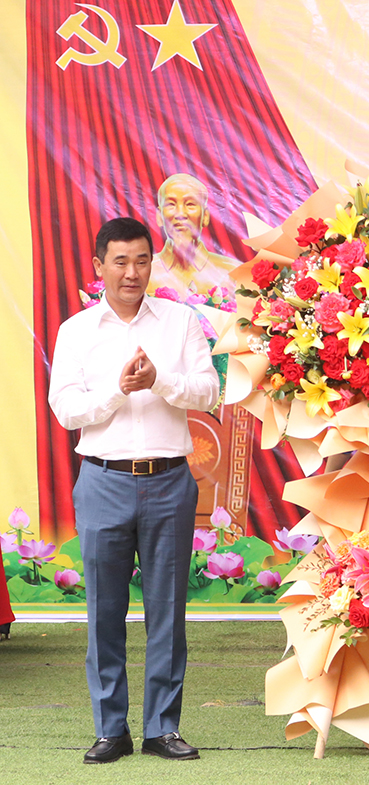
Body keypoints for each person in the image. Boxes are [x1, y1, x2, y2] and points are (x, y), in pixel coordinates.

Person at [48, 217, 219, 763]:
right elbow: (66, 408)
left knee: (167, 609)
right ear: (98, 266)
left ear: (153, 263)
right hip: (102, 479)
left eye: (141, 260)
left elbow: (210, 392)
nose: (131, 272)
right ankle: (110, 729)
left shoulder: (180, 321)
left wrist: (159, 382)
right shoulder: (77, 329)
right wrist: (118, 392)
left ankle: (163, 728)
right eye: (119, 261)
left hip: (169, 479)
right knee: (104, 609)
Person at [149, 173, 238, 296]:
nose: (180, 214)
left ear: (205, 217)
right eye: (171, 204)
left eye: (190, 204)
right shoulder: (143, 273)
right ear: (159, 217)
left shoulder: (232, 272)